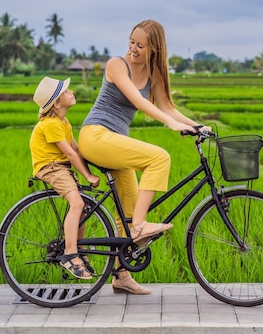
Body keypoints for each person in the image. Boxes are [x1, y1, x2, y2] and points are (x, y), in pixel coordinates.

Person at [79, 19, 207, 295]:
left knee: (127, 210)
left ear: (155, 49)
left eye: (141, 45)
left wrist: (196, 126)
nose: (133, 49)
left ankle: (121, 276)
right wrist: (172, 127)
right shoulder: (116, 64)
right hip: (96, 136)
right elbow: (139, 102)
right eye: (131, 42)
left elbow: (168, 107)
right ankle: (139, 228)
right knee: (159, 158)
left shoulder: (154, 75)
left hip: (115, 142)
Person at [30, 76, 100, 280]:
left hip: (62, 167)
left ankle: (81, 250)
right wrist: (87, 175)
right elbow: (70, 153)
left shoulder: (63, 121)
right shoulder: (50, 124)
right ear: (57, 103)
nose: (71, 92)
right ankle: (71, 254)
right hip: (50, 167)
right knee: (77, 203)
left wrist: (97, 164)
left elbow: (77, 149)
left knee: (83, 206)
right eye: (66, 91)